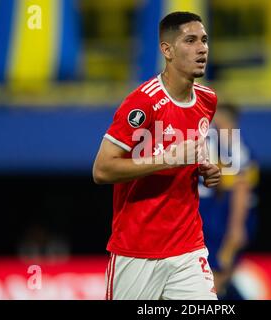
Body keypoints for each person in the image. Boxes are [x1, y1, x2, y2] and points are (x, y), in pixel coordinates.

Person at [93, 12, 221, 300]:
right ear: (167, 50)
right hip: (137, 251)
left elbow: (188, 152)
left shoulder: (207, 100)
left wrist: (204, 167)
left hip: (188, 248)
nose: (202, 48)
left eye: (204, 40)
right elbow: (102, 170)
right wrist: (168, 159)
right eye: (190, 40)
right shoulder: (143, 103)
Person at [199, 102, 260, 299]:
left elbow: (241, 187)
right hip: (220, 216)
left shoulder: (235, 145)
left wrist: (236, 226)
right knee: (214, 278)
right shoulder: (220, 145)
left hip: (230, 218)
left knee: (216, 277)